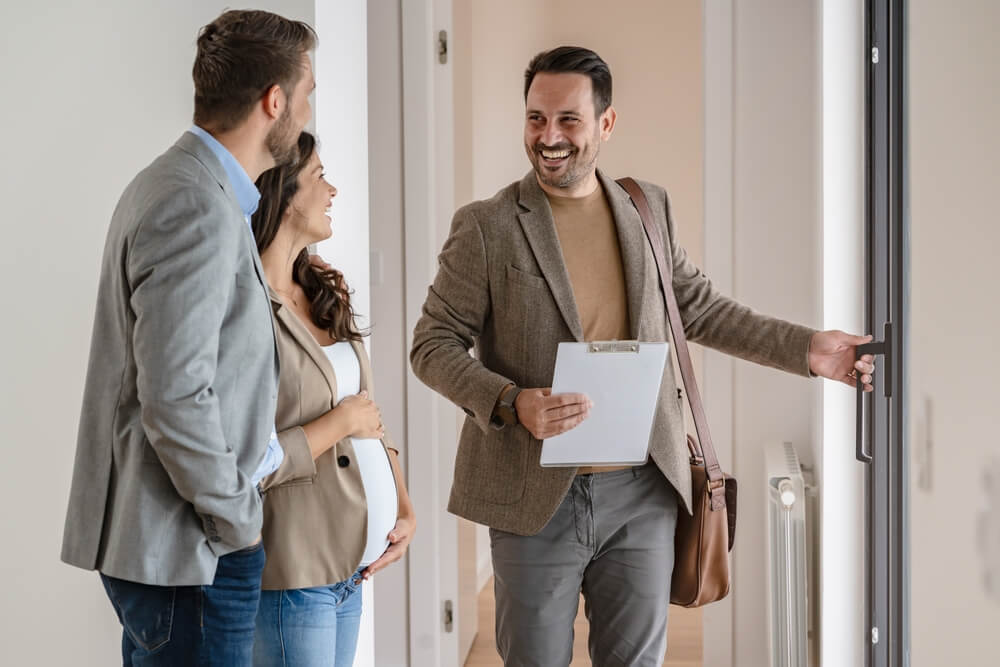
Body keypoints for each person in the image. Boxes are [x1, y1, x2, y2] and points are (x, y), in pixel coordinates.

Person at [410, 46, 876, 666]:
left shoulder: (646, 209)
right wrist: (510, 400)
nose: (549, 137)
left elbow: (702, 310)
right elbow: (432, 342)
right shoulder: (488, 225)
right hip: (531, 491)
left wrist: (808, 349)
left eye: (568, 120)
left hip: (643, 491)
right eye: (535, 119)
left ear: (606, 123)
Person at [60, 10, 316, 665]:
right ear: (274, 100)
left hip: (184, 550)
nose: (307, 113)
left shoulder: (185, 186)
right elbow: (175, 393)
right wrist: (236, 521)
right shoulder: (193, 202)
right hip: (191, 554)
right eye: (306, 93)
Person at [249, 131, 416, 667]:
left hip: (352, 570)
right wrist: (340, 422)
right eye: (320, 176)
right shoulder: (247, 308)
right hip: (296, 574)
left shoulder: (320, 287)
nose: (334, 190)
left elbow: (369, 413)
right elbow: (246, 463)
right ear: (282, 191)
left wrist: (404, 506)